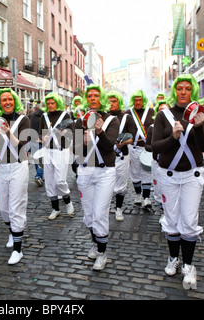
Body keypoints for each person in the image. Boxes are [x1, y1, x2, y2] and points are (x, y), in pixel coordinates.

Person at [152, 74, 204, 290]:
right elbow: (155, 146)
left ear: (192, 90)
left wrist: (197, 126)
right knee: (171, 219)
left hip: (192, 176)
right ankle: (172, 258)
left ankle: (188, 265)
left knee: (189, 220)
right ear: (175, 90)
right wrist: (173, 137)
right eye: (180, 88)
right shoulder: (163, 115)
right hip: (168, 175)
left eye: (187, 88)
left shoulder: (200, 112)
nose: (183, 91)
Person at [73, 84, 119, 271]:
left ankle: (102, 253)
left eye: (96, 95)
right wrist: (82, 143)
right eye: (89, 95)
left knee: (100, 213)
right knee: (90, 215)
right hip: (85, 171)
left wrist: (99, 132)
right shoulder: (79, 121)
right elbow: (77, 152)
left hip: (105, 172)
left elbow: (110, 148)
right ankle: (95, 243)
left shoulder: (111, 120)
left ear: (102, 98)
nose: (92, 98)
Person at [0, 88, 30, 265]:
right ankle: (13, 233)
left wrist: (7, 132)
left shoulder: (23, 119)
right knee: (4, 208)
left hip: (18, 166)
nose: (7, 102)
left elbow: (21, 145)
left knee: (15, 207)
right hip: (0, 166)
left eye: (10, 99)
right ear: (0, 102)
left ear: (14, 101)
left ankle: (17, 249)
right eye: (3, 100)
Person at [39, 92, 74, 220]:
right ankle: (55, 209)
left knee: (59, 180)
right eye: (48, 103)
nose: (50, 105)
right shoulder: (44, 116)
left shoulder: (65, 115)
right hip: (48, 151)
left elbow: (72, 133)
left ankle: (68, 201)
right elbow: (39, 134)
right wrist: (44, 137)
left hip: (61, 151)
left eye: (52, 103)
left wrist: (65, 132)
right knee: (49, 182)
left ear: (57, 103)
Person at [107, 91, 136, 222]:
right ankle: (105, 207)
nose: (111, 103)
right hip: (106, 156)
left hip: (122, 156)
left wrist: (123, 142)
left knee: (121, 184)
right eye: (109, 101)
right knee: (105, 182)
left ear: (119, 102)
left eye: (114, 101)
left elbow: (132, 137)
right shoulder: (103, 116)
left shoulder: (127, 117)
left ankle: (119, 208)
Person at [126, 90, 155, 207]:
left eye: (140, 100)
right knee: (135, 172)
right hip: (133, 148)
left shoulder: (151, 112)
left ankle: (146, 197)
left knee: (146, 171)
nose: (138, 102)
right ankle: (138, 194)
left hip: (147, 148)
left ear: (143, 100)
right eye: (135, 100)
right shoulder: (128, 113)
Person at [146, 100, 170, 224]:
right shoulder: (152, 127)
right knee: (159, 189)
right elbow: (148, 146)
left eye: (166, 109)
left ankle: (169, 213)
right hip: (157, 163)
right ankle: (163, 211)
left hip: (170, 165)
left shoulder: (175, 125)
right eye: (161, 109)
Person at [28, 104, 44, 186]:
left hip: (32, 140)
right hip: (41, 141)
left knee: (37, 160)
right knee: (42, 160)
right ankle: (39, 176)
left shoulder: (31, 115)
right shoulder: (45, 116)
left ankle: (40, 175)